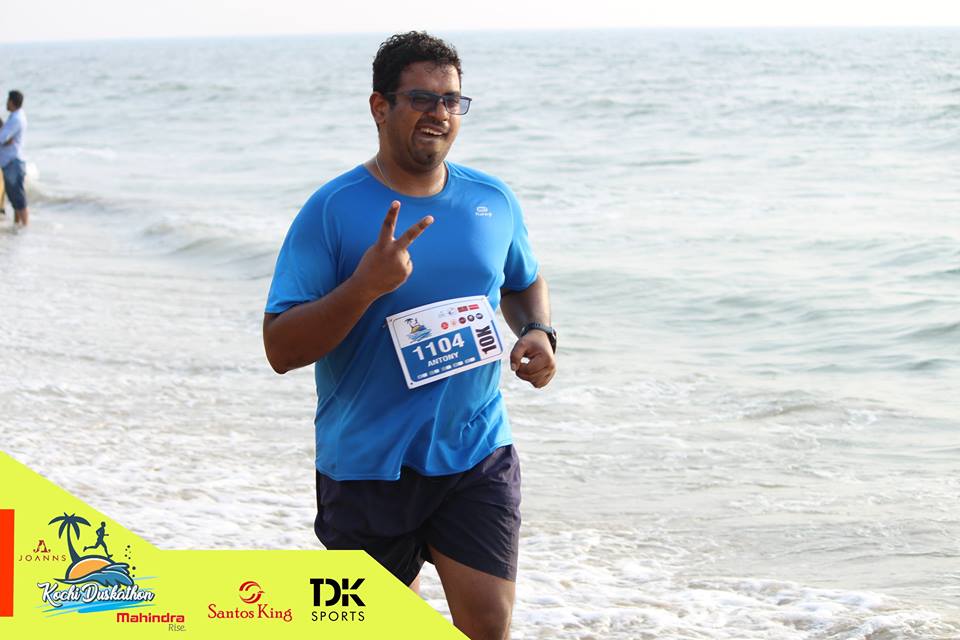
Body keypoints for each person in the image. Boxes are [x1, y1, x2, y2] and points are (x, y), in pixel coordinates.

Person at [263, 32, 557, 640]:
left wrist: (537, 330)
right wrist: (364, 287)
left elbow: (523, 280)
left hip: (474, 449)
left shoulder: (492, 199)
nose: (440, 113)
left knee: (489, 625)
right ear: (381, 106)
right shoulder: (332, 209)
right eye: (422, 98)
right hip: (365, 463)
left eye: (452, 100)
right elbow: (280, 348)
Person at [0, 90, 28, 226]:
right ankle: (18, 228)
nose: (6, 103)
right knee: (15, 200)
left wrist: (5, 139)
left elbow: (2, 138)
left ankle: (25, 228)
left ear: (12, 102)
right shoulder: (14, 117)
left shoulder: (16, 118)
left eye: (7, 100)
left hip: (13, 162)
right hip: (10, 162)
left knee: (19, 200)